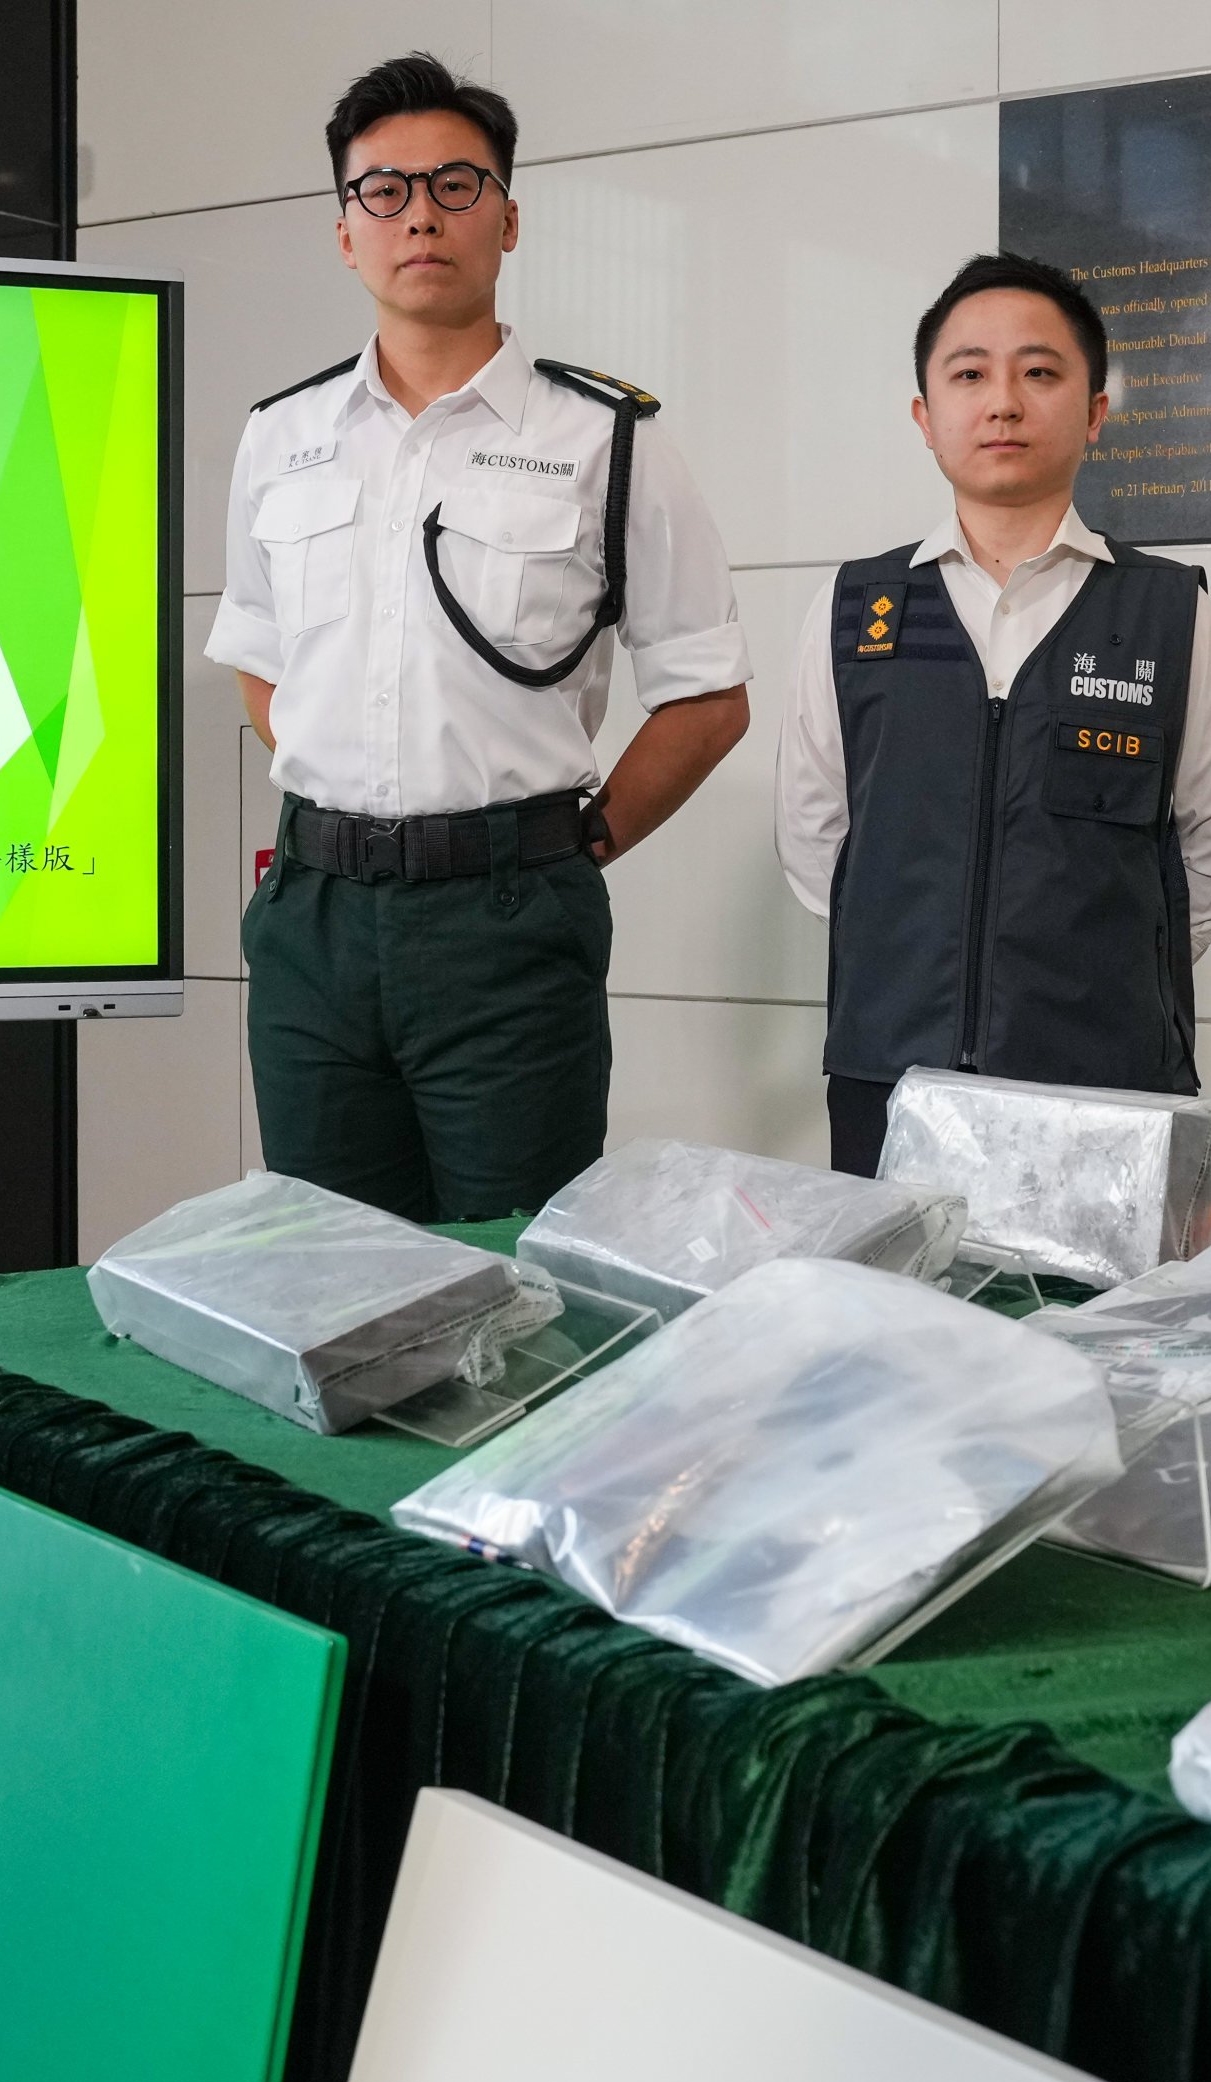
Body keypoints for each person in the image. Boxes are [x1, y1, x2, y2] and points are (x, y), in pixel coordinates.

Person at [213, 54, 750, 1222]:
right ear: (343, 231)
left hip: (508, 927)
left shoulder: (607, 439)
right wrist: (340, 786)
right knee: (322, 1271)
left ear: (508, 219)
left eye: (457, 187)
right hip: (311, 919)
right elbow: (259, 660)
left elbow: (708, 696)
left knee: (517, 1280)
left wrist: (569, 845)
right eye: (384, 191)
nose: (421, 215)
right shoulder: (281, 437)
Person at [775, 252, 1211, 1178]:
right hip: (892, 1079)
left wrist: (1095, 966)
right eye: (969, 374)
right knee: (895, 1317)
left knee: (1103, 1323)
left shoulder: (1168, 615)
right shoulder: (855, 613)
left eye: (1039, 373)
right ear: (924, 417)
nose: (1002, 401)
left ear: (1093, 413)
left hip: (1104, 1088)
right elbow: (815, 837)